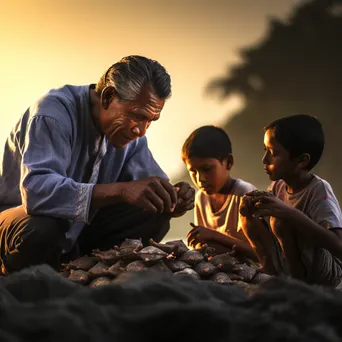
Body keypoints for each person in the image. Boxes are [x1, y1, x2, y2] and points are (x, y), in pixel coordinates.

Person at [0, 55, 195, 275]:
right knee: (42, 227)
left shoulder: (131, 137)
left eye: (150, 120)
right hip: (16, 227)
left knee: (153, 211)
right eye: (137, 116)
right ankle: (16, 281)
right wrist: (120, 190)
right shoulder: (52, 113)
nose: (141, 130)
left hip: (75, 235)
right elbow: (37, 193)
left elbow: (150, 184)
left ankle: (86, 270)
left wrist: (173, 197)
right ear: (108, 97)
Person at [240, 114, 342, 287]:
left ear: (302, 160)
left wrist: (291, 214)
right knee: (248, 217)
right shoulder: (278, 186)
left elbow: (338, 246)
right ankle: (272, 276)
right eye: (265, 150)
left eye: (272, 153)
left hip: (326, 273)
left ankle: (297, 286)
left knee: (281, 222)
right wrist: (250, 209)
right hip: (293, 263)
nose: (264, 160)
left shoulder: (319, 190)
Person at [182, 125, 257, 260]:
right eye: (193, 171)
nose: (200, 179)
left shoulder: (245, 194)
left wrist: (214, 235)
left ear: (228, 162)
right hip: (218, 268)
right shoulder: (201, 197)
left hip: (248, 270)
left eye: (207, 169)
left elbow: (261, 253)